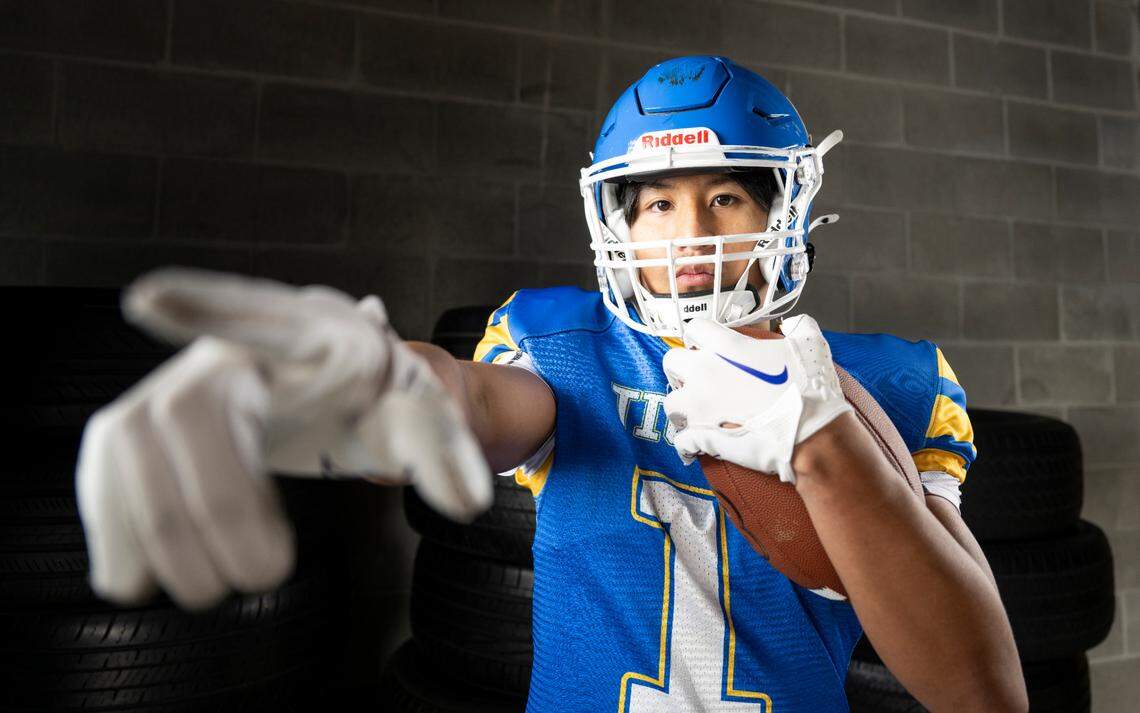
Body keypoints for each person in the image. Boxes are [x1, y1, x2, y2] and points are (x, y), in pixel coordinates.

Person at [76, 56, 1026, 711]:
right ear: (619, 220)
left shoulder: (891, 382)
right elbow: (474, 408)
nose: (688, 233)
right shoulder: (566, 345)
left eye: (725, 196)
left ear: (789, 208)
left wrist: (824, 444)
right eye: (657, 203)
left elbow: (983, 692)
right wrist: (378, 383)